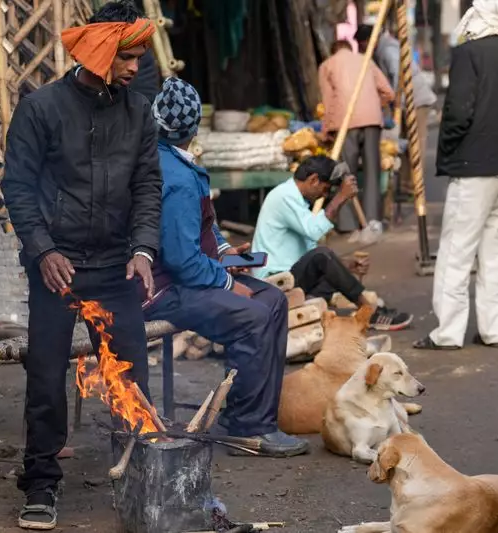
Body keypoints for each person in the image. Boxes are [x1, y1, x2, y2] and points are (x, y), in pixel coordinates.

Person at [1, 1, 160, 529]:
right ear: (99, 51)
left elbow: (147, 186)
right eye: (127, 56)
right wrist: (43, 251)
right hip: (58, 272)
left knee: (130, 381)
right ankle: (41, 484)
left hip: (116, 268)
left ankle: (139, 476)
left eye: (140, 56)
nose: (136, 68)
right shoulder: (41, 108)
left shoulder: (139, 112)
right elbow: (19, 188)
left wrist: (143, 250)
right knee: (46, 380)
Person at [142, 78, 310, 458]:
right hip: (161, 290)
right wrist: (224, 280)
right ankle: (246, 428)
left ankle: (254, 415)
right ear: (194, 128)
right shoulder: (176, 175)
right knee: (251, 314)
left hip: (183, 277)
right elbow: (182, 261)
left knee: (272, 300)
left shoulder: (176, 163)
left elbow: (199, 229)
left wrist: (223, 251)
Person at [414, 0, 498, 350]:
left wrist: (450, 150)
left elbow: (458, 111)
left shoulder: (469, 54)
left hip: (473, 167)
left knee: (456, 252)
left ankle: (448, 332)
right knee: (494, 253)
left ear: (479, 17)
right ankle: (496, 330)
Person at [252, 155, 414, 331]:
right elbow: (315, 233)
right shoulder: (283, 196)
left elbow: (309, 249)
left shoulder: (296, 200)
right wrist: (341, 197)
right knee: (323, 255)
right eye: (325, 189)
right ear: (313, 179)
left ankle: (366, 308)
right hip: (274, 282)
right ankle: (368, 312)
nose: (325, 194)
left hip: (289, 275)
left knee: (331, 270)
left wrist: (345, 266)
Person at [318, 40, 396, 232]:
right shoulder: (365, 60)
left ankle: (348, 224)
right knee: (372, 171)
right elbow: (388, 92)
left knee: (346, 173)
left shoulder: (327, 65)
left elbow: (328, 102)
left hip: (346, 121)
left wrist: (326, 130)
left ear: (332, 51)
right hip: (371, 120)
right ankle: (372, 220)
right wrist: (374, 105)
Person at [355, 22, 437, 199]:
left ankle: (416, 185)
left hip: (416, 100)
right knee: (404, 144)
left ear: (370, 40)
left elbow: (396, 73)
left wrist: (393, 100)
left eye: (362, 45)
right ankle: (408, 185)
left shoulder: (387, 48)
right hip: (406, 102)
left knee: (416, 144)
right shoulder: (381, 49)